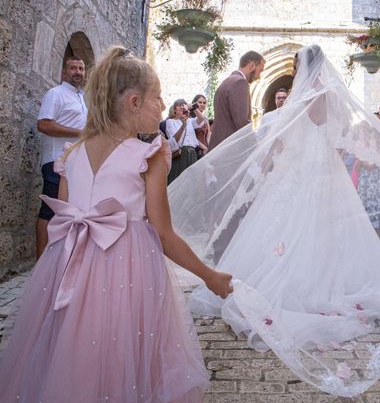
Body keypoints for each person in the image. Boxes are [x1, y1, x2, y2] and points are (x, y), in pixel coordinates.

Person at [167, 45, 380, 396]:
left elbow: (281, 139)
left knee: (285, 228)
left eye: (297, 66)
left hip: (297, 173)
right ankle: (326, 283)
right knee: (322, 233)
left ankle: (291, 286)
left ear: (303, 68)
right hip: (321, 172)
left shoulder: (303, 98)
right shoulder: (330, 96)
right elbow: (341, 134)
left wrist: (266, 162)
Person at [0, 46, 233, 403]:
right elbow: (165, 234)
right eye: (157, 97)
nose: (162, 104)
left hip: (70, 269)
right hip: (129, 273)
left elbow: (63, 221)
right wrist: (208, 275)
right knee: (125, 350)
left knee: (71, 347)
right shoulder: (149, 155)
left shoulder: (70, 155)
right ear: (134, 102)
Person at [35, 56, 88, 258]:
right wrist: (80, 133)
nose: (78, 72)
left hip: (75, 164)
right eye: (73, 68)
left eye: (81, 68)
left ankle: (59, 258)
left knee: (67, 212)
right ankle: (40, 261)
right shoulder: (55, 94)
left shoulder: (81, 98)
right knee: (49, 211)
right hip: (55, 161)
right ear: (64, 72)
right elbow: (44, 124)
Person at [209, 51, 265, 150]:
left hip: (219, 145)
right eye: (260, 71)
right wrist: (257, 145)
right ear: (252, 66)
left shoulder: (227, 81)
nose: (259, 77)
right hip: (229, 148)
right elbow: (241, 122)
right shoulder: (240, 83)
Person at [166, 98, 207, 184]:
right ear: (174, 110)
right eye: (179, 106)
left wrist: (193, 107)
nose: (182, 108)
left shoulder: (191, 121)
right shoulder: (171, 122)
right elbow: (174, 141)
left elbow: (201, 118)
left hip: (192, 153)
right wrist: (183, 125)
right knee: (179, 182)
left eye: (183, 106)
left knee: (192, 183)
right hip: (181, 154)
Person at [191, 94, 210, 159]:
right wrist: (204, 148)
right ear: (194, 103)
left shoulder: (206, 119)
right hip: (197, 149)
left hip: (206, 147)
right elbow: (192, 137)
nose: (202, 104)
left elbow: (208, 136)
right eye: (200, 102)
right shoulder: (191, 119)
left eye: (204, 103)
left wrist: (209, 147)